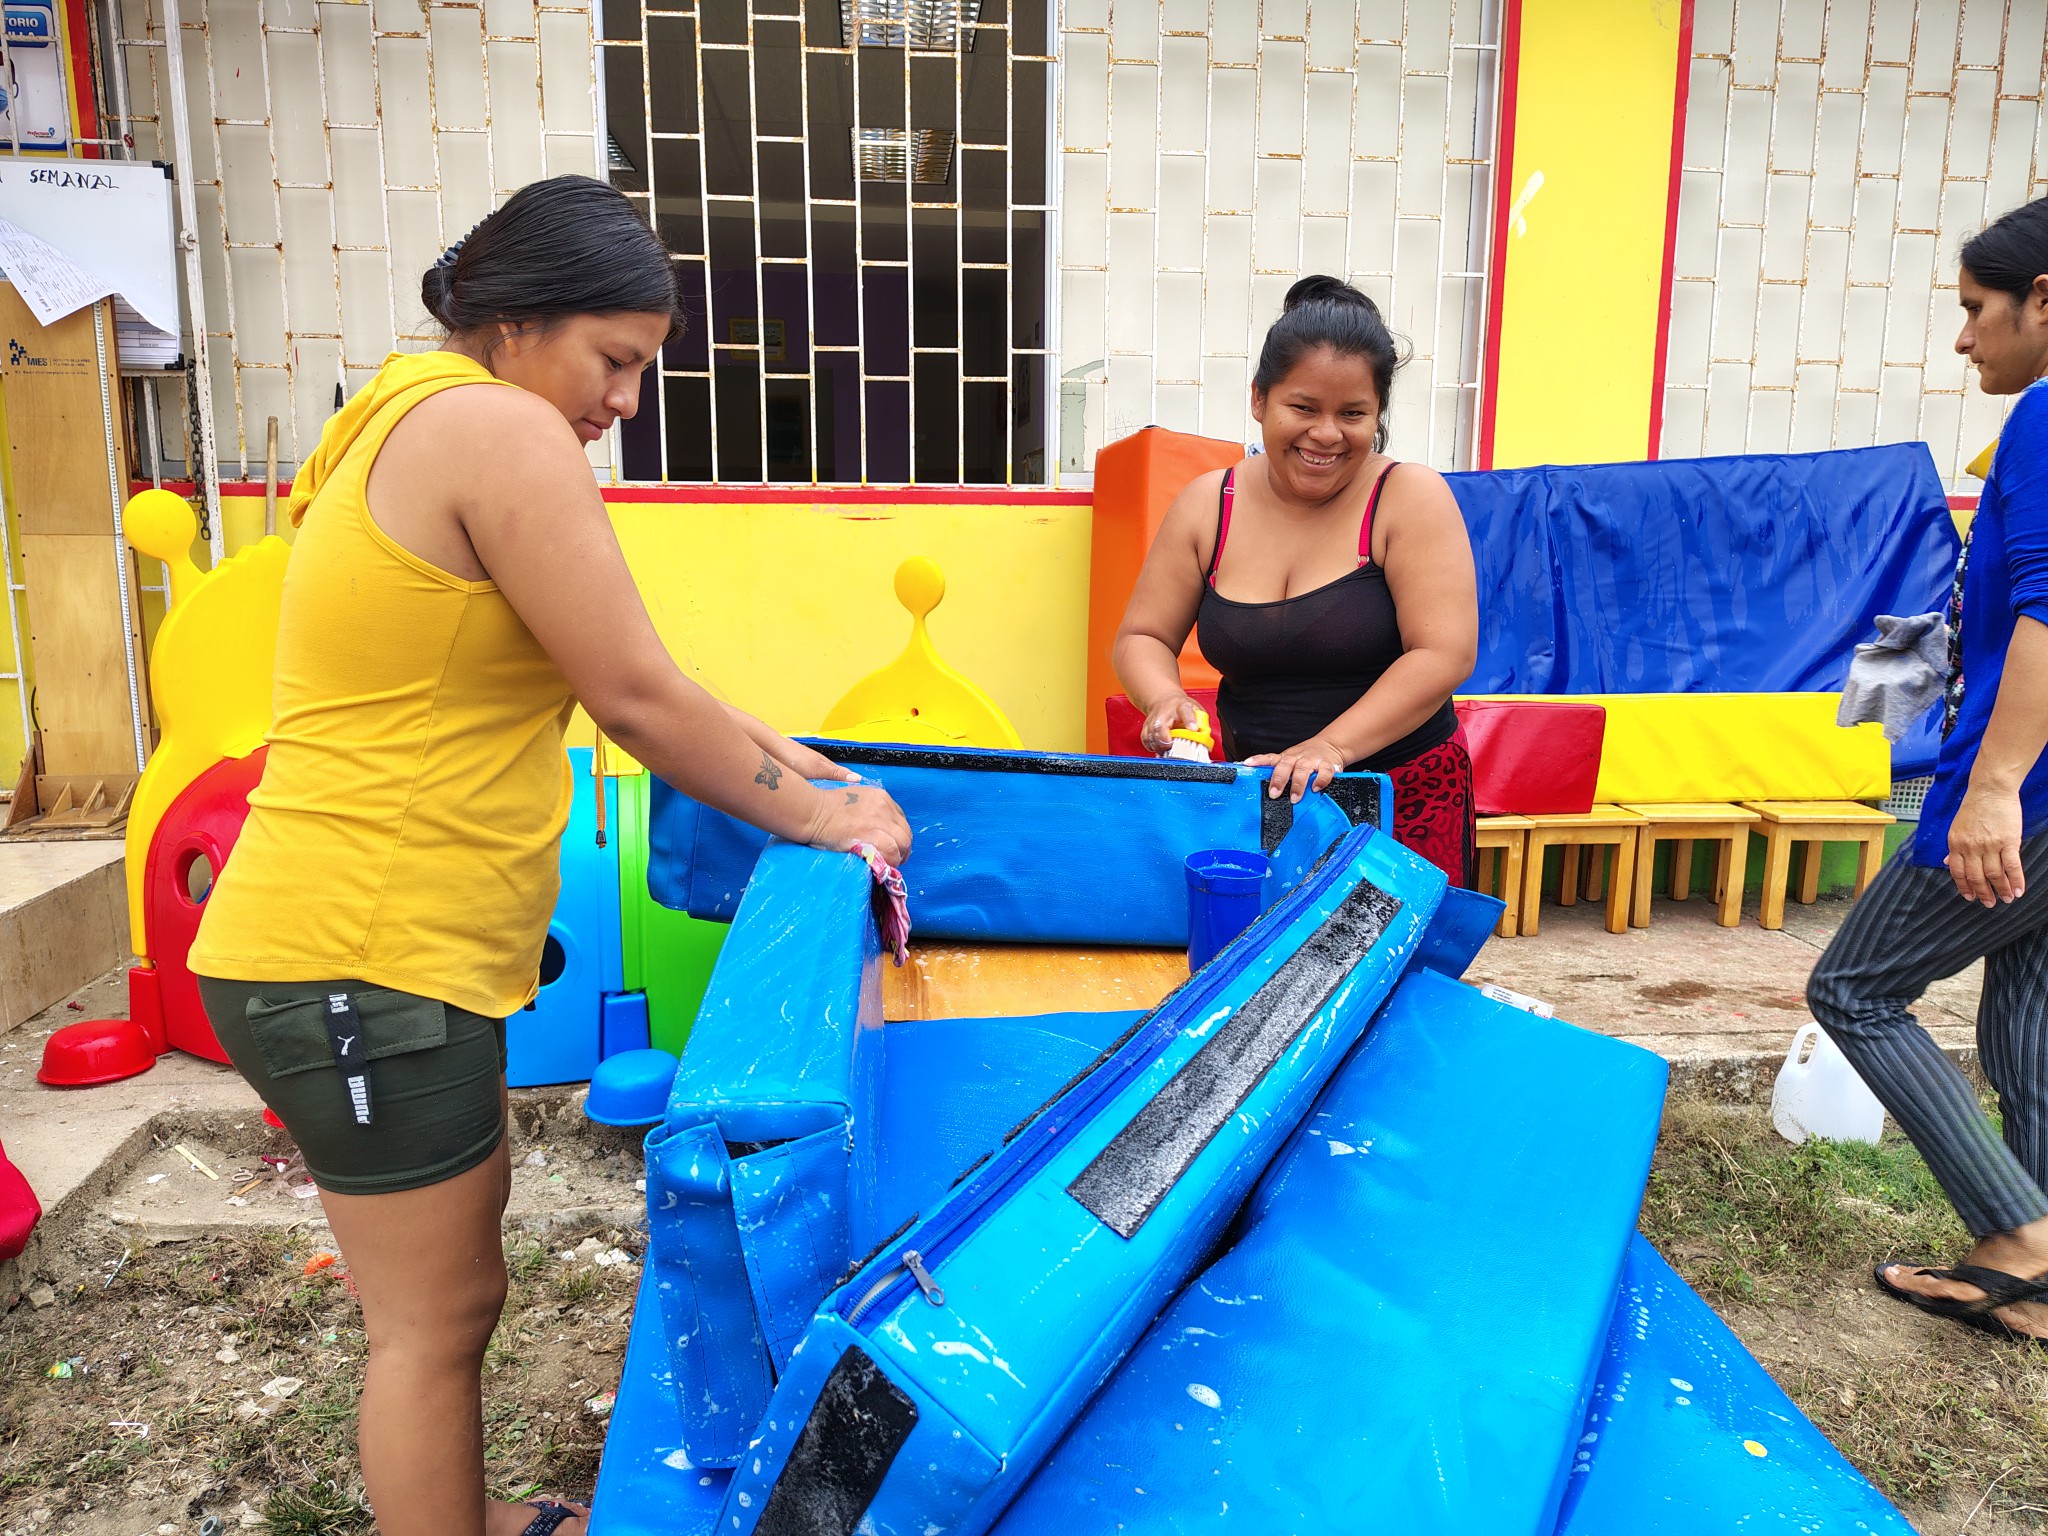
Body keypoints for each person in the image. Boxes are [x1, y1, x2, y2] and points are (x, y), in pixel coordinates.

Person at [186, 176, 912, 1536]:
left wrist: (805, 767)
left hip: (359, 950)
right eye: (613, 360)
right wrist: (829, 820)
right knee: (430, 1323)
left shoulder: (400, 414)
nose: (624, 402)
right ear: (517, 324)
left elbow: (636, 673)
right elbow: (635, 699)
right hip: (356, 956)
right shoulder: (498, 430)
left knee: (449, 1303)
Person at [1806, 195, 2048, 1344]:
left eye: (1973, 309)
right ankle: (2035, 1286)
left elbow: (2047, 611)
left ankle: (2017, 1237)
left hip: (2024, 788)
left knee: (1851, 989)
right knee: (2023, 1018)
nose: (1961, 338)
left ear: (2040, 299)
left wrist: (1989, 790)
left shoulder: (2044, 413)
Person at [1112, 275, 1480, 886]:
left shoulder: (1408, 497)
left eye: (1353, 414)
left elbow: (1443, 652)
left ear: (1377, 415)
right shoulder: (1209, 505)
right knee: (1252, 946)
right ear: (1260, 399)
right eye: (1304, 408)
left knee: (1385, 951)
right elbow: (1143, 636)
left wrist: (1330, 748)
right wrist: (1163, 696)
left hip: (1400, 798)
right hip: (1258, 798)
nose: (1327, 433)